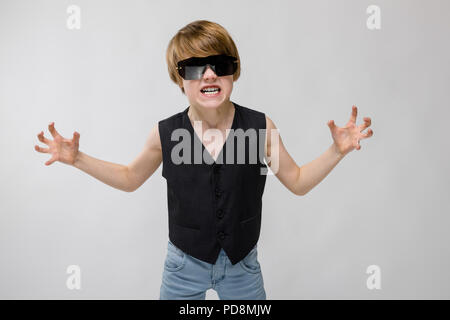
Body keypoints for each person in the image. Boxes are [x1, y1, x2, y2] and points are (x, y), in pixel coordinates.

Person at [34, 20, 373, 300]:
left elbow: (297, 182)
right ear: (179, 79)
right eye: (195, 67)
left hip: (243, 267)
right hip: (182, 266)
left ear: (234, 73)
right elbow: (129, 177)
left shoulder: (259, 127)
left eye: (220, 65)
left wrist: (336, 151)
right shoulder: (165, 133)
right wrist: (78, 159)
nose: (209, 74)